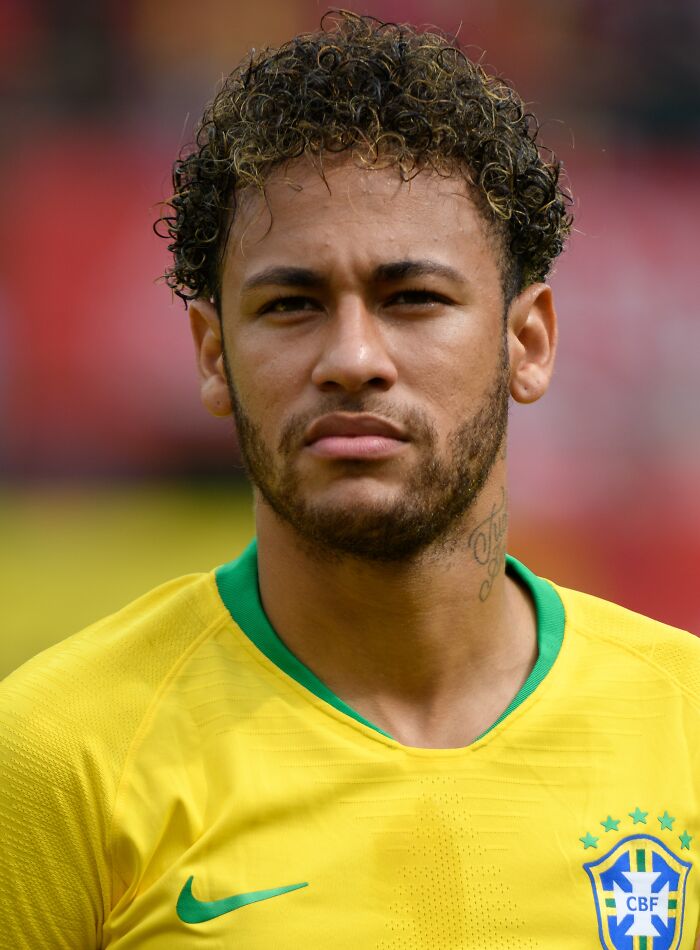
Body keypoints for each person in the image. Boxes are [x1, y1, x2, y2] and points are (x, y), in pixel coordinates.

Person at [1, 11, 698, 949]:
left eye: (414, 299)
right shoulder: (54, 758)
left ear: (526, 343)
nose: (354, 358)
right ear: (213, 357)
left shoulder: (682, 728)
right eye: (292, 304)